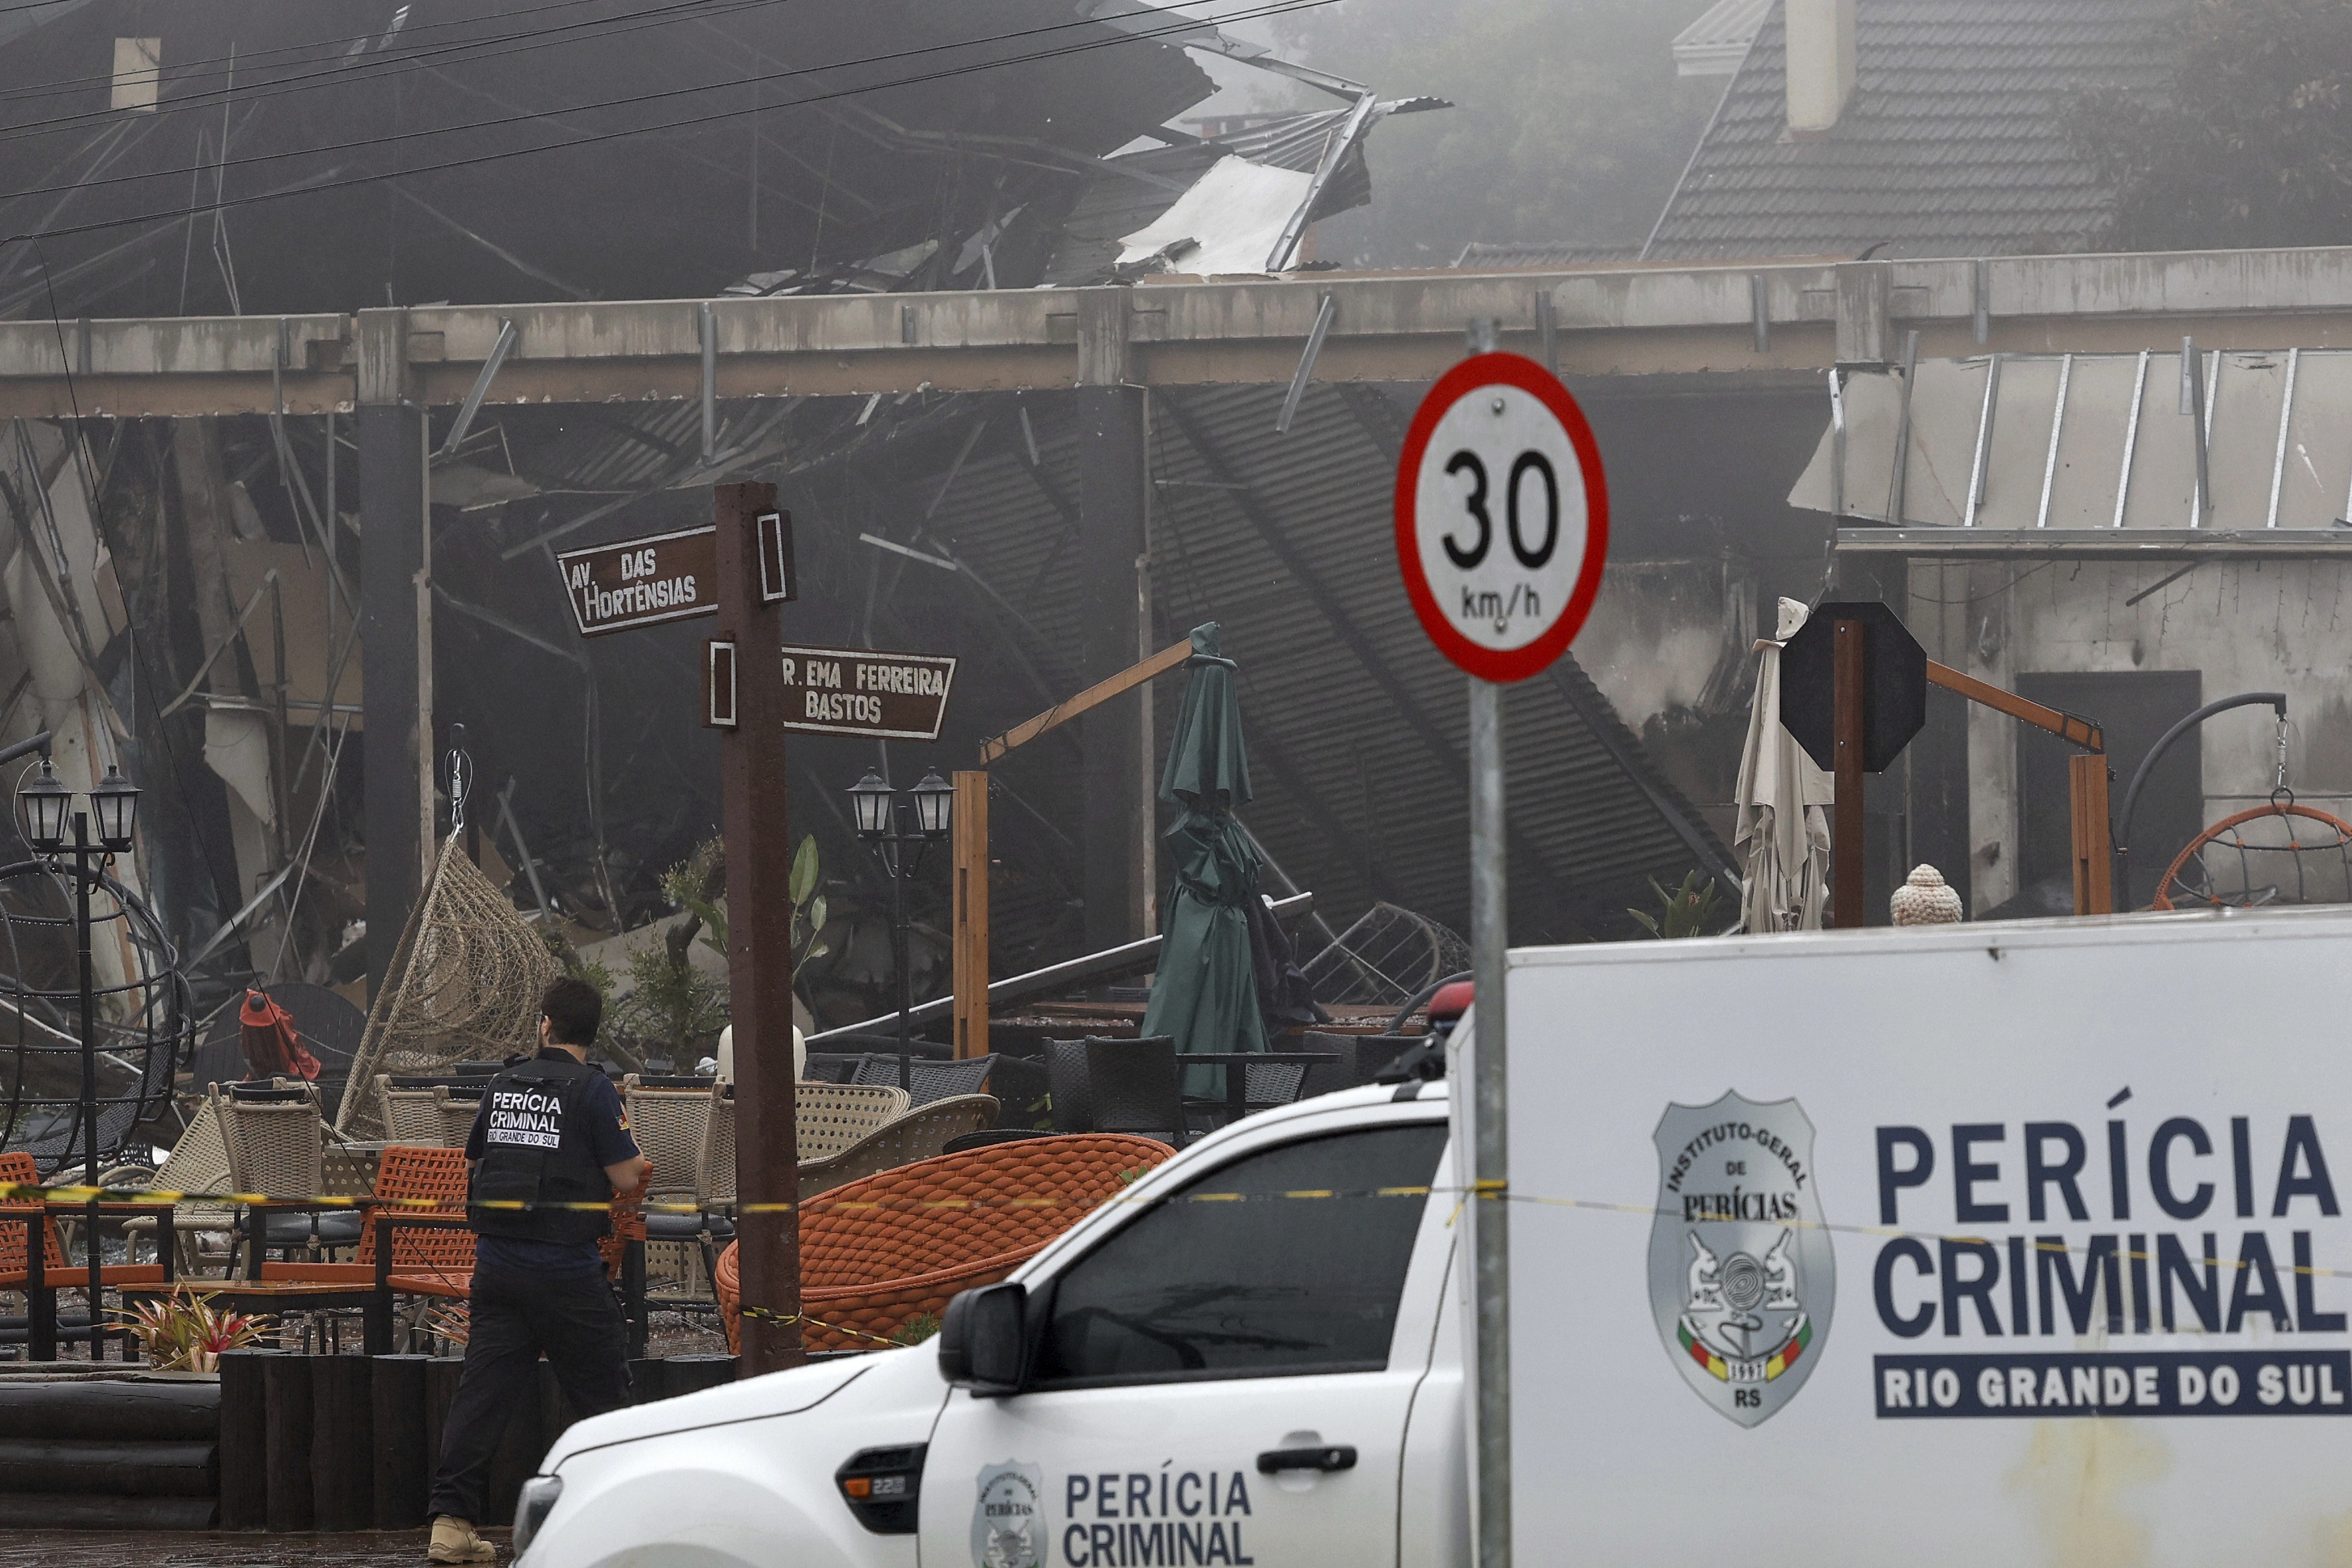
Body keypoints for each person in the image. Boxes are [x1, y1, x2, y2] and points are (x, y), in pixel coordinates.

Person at [426, 976, 649, 1565]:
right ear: (591, 1030)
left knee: (482, 1397)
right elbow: (627, 1176)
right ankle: (626, 1524)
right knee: (604, 1397)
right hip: (568, 1274)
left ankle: (450, 1525)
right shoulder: (596, 1091)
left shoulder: (503, 1083)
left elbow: (476, 1159)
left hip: (497, 1269)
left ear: (546, 1023)